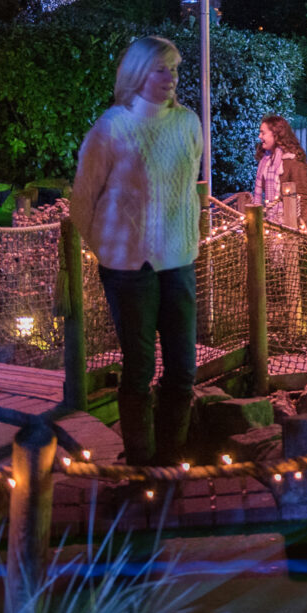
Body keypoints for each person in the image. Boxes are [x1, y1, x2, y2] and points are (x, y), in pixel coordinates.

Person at [71, 36, 203, 467]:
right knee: (140, 367)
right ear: (137, 73)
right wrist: (109, 249)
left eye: (175, 70)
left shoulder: (188, 124)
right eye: (161, 69)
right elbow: (83, 200)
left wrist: (185, 238)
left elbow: (188, 191)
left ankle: (171, 459)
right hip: (130, 268)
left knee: (183, 368)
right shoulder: (112, 127)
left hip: (179, 260)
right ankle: (142, 464)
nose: (171, 78)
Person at [253, 116, 307, 232]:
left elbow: (304, 198)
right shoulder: (266, 161)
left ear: (276, 134)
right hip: (273, 222)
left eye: (263, 133)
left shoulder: (293, 162)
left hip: (293, 225)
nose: (260, 136)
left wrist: (301, 231)